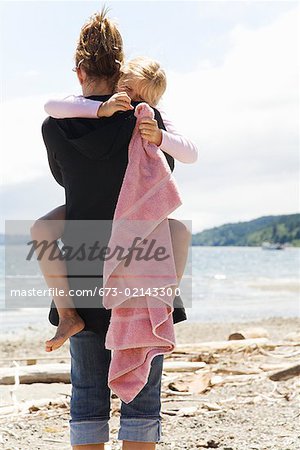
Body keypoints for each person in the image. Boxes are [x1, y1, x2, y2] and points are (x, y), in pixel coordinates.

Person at [32, 7, 192, 450]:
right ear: (120, 69)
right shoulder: (146, 124)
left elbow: (66, 182)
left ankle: (67, 319)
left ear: (79, 71)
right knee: (142, 401)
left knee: (86, 395)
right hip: (144, 269)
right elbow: (166, 178)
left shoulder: (55, 125)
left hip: (82, 268)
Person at [34, 56, 197, 353]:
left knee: (180, 232)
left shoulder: (150, 118)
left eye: (139, 99)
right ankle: (68, 314)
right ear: (118, 80)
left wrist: (160, 136)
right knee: (41, 229)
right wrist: (102, 108)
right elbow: (51, 105)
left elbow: (190, 152)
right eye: (127, 90)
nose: (131, 102)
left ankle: (161, 302)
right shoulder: (93, 109)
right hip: (104, 213)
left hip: (126, 211)